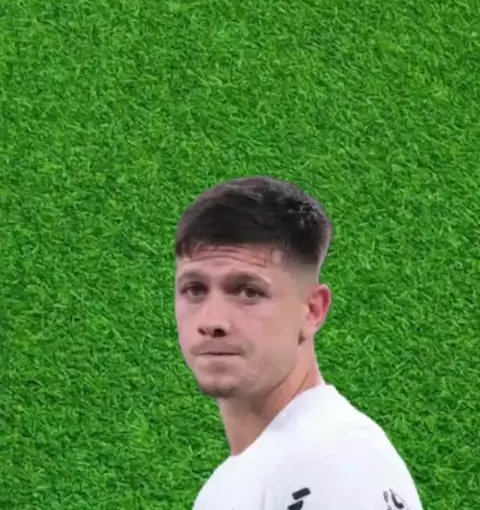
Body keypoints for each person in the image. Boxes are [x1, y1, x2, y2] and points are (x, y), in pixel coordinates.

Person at [174, 176, 425, 510]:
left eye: (248, 291)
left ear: (312, 311)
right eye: (194, 289)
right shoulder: (235, 479)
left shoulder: (335, 457)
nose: (212, 321)